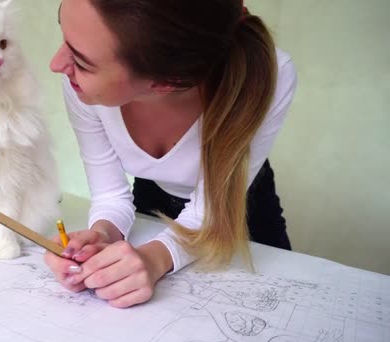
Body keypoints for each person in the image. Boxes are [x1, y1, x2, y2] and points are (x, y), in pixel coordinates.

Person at [44, 0, 297, 308]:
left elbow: (211, 213)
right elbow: (110, 197)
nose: (56, 63)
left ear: (166, 83)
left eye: (83, 62)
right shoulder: (79, 85)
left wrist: (153, 260)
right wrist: (102, 235)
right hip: (152, 193)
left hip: (239, 204)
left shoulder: (270, 75)